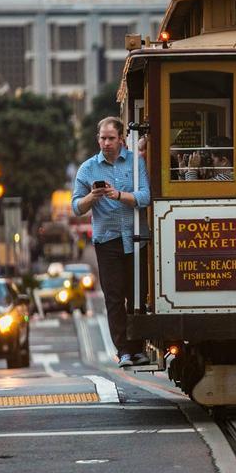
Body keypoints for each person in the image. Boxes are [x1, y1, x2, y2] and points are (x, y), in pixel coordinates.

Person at [71, 116, 151, 368]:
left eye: (111, 138)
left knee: (136, 295)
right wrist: (92, 197)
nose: (106, 143)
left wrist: (118, 195)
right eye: (102, 138)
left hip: (136, 237)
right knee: (114, 297)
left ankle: (138, 347)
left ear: (121, 139)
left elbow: (146, 196)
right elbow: (76, 207)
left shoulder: (136, 162)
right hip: (107, 241)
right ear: (98, 139)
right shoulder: (87, 169)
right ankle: (124, 351)